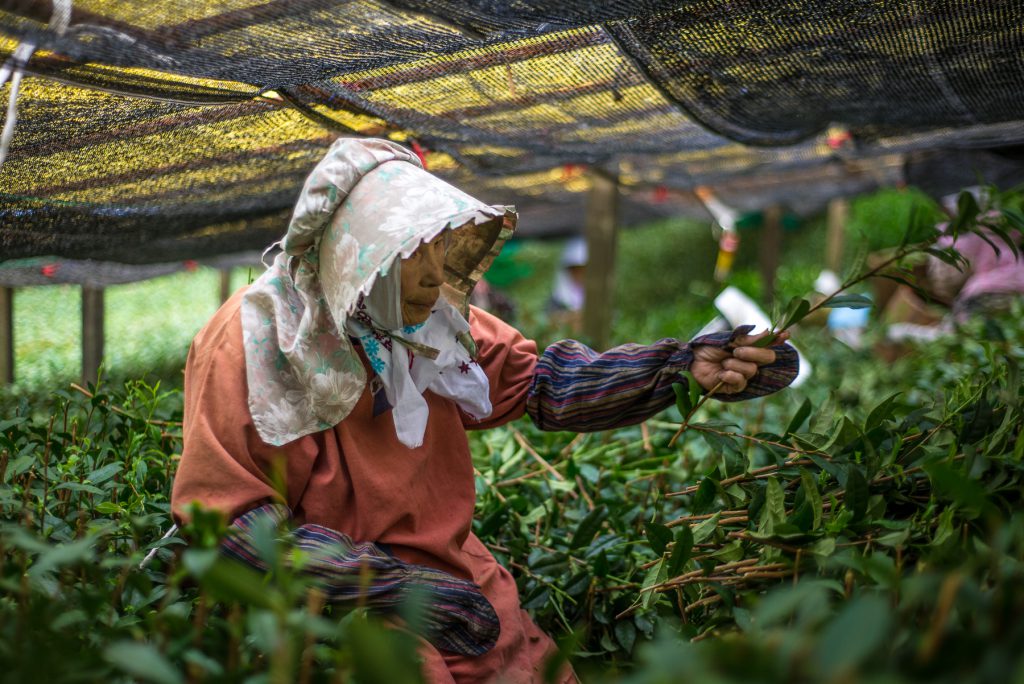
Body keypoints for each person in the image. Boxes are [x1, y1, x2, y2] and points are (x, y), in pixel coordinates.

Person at [170, 138, 799, 683]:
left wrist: (677, 370)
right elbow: (230, 527)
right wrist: (398, 589)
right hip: (338, 612)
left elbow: (542, 385)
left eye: (437, 249)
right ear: (352, 252)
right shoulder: (254, 341)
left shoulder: (434, 322)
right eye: (405, 253)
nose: (428, 277)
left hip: (463, 587)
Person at [546, 236, 587, 332]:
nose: (579, 273)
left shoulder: (595, 293)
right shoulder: (558, 296)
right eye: (575, 269)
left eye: (582, 269)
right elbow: (548, 320)